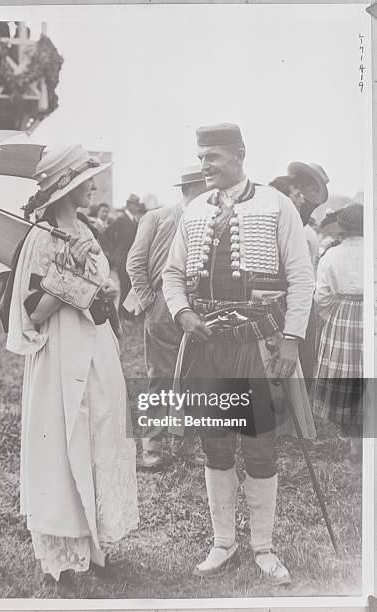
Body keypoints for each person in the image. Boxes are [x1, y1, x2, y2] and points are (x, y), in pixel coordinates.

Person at [163, 123, 315, 585]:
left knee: (260, 443)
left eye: (212, 157)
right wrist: (183, 312)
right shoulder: (191, 212)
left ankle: (264, 546)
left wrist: (291, 339)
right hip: (208, 347)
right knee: (214, 442)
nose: (204, 165)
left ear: (239, 155)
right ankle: (223, 542)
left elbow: (301, 277)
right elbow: (172, 274)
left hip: (258, 345)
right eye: (201, 156)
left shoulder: (277, 204)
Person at [5, 144, 138, 583]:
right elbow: (34, 313)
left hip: (95, 346)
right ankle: (64, 557)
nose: (95, 187)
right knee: (65, 439)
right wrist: (69, 269)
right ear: (69, 188)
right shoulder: (42, 238)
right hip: (60, 350)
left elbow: (102, 289)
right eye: (88, 181)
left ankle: (95, 547)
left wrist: (104, 289)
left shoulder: (86, 229)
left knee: (99, 434)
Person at [125, 166, 208, 469]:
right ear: (193, 188)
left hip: (198, 310)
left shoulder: (208, 218)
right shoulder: (157, 218)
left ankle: (188, 446)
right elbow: (134, 263)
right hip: (162, 309)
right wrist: (150, 302)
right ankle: (152, 450)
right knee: (160, 378)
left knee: (196, 378)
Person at [311, 204, 364, 462]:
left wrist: (330, 316)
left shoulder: (331, 256)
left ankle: (355, 443)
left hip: (342, 316)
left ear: (342, 228)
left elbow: (321, 297)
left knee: (348, 379)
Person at [269, 162, 329, 381]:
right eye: (298, 194)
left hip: (295, 299)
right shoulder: (290, 221)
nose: (303, 198)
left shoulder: (300, 227)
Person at [103, 194, 142, 316]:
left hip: (132, 257)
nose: (136, 208)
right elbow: (107, 234)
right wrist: (116, 248)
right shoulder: (121, 220)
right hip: (123, 257)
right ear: (129, 205)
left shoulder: (134, 220)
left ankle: (128, 312)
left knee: (130, 284)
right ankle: (122, 314)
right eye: (134, 205)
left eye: (137, 205)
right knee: (124, 284)